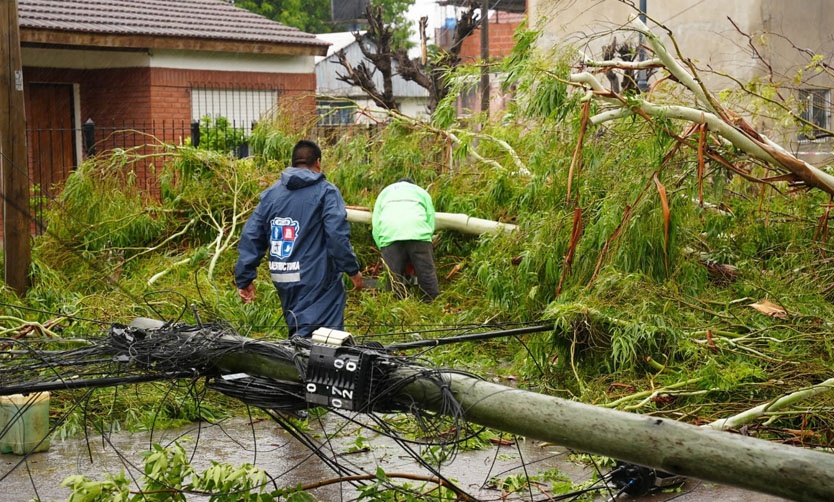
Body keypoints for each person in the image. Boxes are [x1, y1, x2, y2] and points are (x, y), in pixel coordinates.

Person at [235, 140, 364, 337]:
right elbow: (336, 234)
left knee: (298, 324)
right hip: (316, 277)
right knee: (323, 339)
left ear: (293, 163)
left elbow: (251, 235)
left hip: (283, 275)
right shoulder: (326, 192)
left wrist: (244, 278)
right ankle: (308, 364)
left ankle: (298, 358)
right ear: (318, 162)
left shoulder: (271, 194)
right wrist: (352, 269)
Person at [372, 177, 439, 301]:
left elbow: (375, 223)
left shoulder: (385, 192)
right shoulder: (421, 192)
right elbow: (431, 219)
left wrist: (382, 245)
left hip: (390, 234)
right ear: (412, 184)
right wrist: (426, 238)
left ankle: (394, 304)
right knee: (426, 274)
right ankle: (431, 303)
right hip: (418, 233)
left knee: (393, 277)